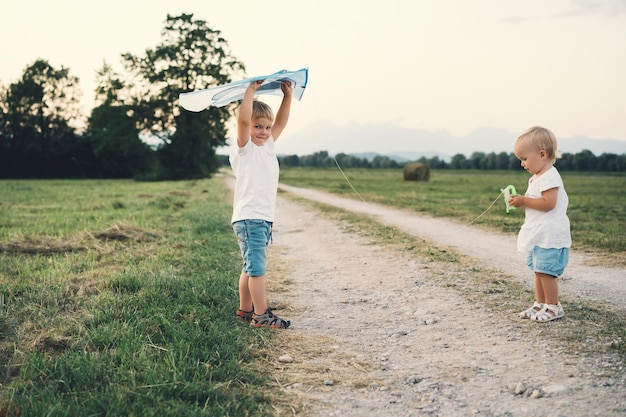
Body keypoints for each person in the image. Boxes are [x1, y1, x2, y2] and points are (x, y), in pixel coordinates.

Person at [229, 79, 293, 329]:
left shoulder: (267, 147)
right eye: (258, 126)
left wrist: (287, 97)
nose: (264, 131)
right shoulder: (244, 149)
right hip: (251, 218)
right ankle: (261, 315)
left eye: (266, 127)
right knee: (257, 269)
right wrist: (250, 91)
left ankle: (245, 310)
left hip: (261, 218)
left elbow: (281, 122)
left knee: (250, 265)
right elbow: (243, 121)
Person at [509, 126, 571, 322]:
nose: (522, 164)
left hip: (550, 234)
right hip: (539, 233)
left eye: (524, 158)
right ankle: (540, 303)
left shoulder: (551, 176)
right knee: (538, 269)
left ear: (542, 154)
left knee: (546, 272)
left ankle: (553, 306)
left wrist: (523, 201)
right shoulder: (536, 177)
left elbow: (549, 204)